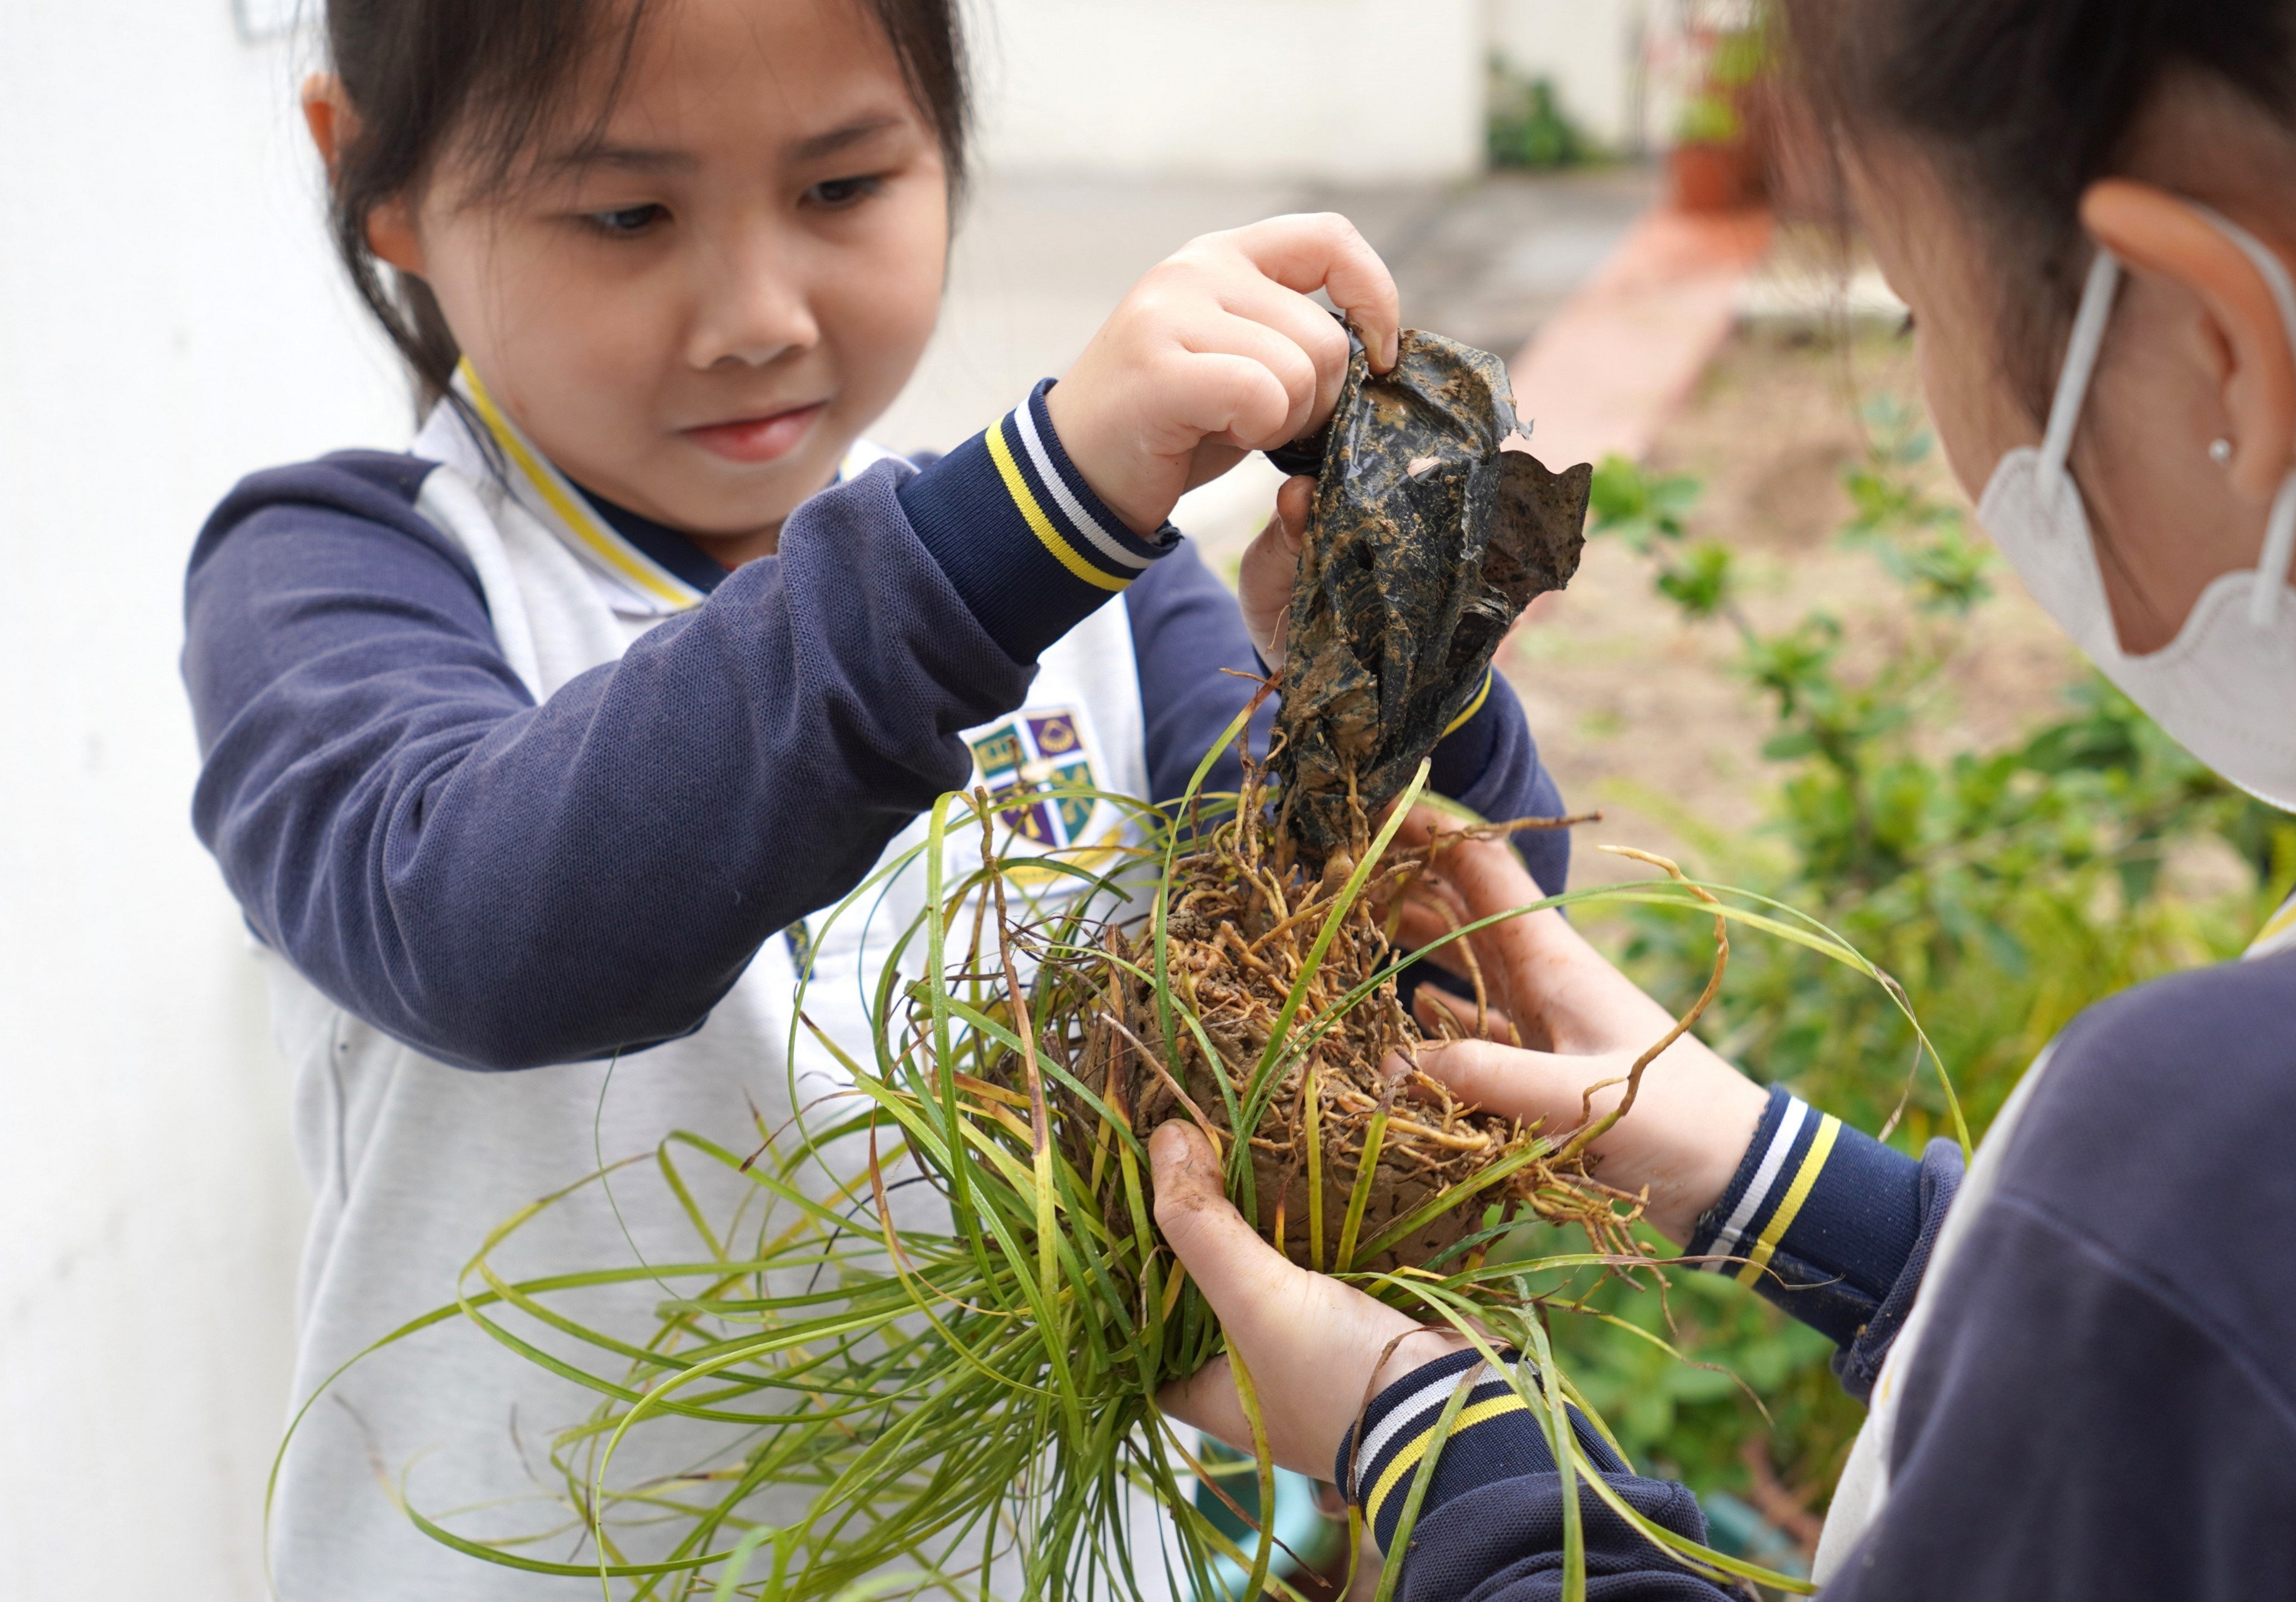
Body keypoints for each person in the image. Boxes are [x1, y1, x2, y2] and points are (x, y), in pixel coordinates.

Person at [180, 0, 1569, 1592]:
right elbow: (486, 925)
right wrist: (1027, 514)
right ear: (380, 181)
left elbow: (1431, 991)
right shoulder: (347, 581)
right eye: (628, 213)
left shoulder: (1108, 602)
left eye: (841, 188)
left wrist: (1396, 643)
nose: (757, 314)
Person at [1151, 1, 2296, 1596]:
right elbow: (2238, 1385)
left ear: (2217, 340)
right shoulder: (2224, 1218)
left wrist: (1430, 1435)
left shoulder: (2209, 1165)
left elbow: (2196, 1325)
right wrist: (1778, 1179)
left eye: (1914, 317)